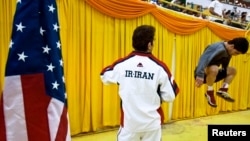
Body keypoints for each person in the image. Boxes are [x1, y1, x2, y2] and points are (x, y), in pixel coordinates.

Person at [100, 25, 179, 141]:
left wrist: (124, 80)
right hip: (152, 125)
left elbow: (104, 76)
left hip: (129, 124)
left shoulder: (122, 65)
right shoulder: (160, 67)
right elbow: (170, 96)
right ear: (149, 44)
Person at [194, 37, 249, 108]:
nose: (236, 55)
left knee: (233, 70)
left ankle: (223, 89)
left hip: (213, 75)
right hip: (202, 73)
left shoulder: (228, 51)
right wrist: (200, 75)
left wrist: (225, 71)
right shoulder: (217, 47)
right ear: (232, 46)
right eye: (236, 53)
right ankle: (209, 92)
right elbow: (203, 59)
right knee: (214, 68)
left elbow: (225, 65)